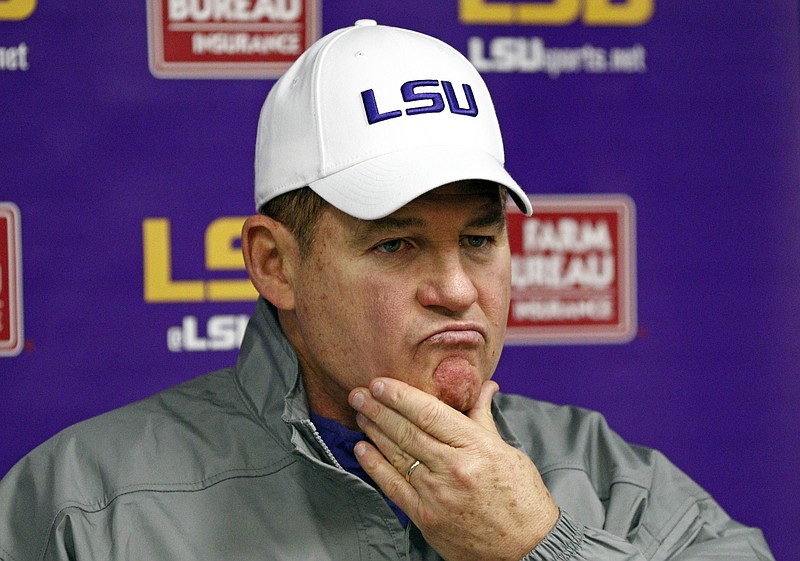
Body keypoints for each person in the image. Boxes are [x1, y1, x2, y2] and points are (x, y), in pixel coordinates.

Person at [0, 20, 774, 561]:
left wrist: (544, 547)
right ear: (275, 263)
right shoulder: (88, 504)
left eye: (479, 239)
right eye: (397, 243)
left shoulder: (609, 480)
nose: (455, 288)